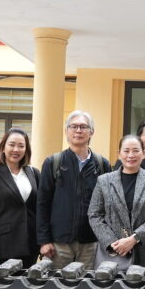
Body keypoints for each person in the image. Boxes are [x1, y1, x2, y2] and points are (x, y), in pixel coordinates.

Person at [36, 111, 112, 271]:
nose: (78, 130)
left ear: (91, 132)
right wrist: (44, 240)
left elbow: (107, 205)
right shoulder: (53, 162)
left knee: (87, 284)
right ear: (66, 131)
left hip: (91, 242)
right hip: (59, 243)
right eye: (74, 126)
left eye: (83, 127)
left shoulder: (102, 164)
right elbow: (43, 203)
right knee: (57, 283)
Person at [88, 134, 145, 272]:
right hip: (113, 252)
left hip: (144, 250)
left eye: (136, 150)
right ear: (119, 154)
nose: (131, 155)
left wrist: (134, 238)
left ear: (143, 153)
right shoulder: (104, 181)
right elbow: (94, 214)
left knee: (143, 284)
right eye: (126, 151)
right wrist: (112, 242)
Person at [0, 128, 40, 265]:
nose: (16, 149)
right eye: (12, 144)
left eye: (21, 146)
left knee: (29, 279)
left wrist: (43, 240)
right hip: (4, 245)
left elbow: (40, 208)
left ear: (26, 149)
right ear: (3, 147)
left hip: (31, 244)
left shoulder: (34, 173)